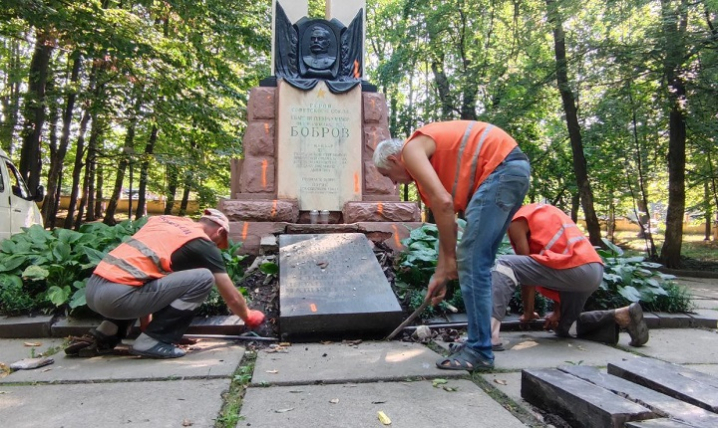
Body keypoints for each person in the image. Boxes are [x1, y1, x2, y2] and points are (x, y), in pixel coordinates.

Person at [373, 120, 531, 371]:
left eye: (387, 176)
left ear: (394, 159)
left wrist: (448, 265)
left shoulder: (411, 150)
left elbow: (444, 204)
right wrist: (442, 270)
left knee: (472, 261)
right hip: (511, 169)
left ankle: (479, 351)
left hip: (501, 169)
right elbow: (449, 223)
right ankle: (479, 341)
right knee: (477, 261)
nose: (394, 184)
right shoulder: (431, 169)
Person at [65, 209, 265, 359]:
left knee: (135, 281)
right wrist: (248, 317)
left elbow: (144, 275)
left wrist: (149, 326)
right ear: (219, 231)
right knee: (204, 277)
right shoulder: (202, 243)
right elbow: (231, 296)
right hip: (118, 298)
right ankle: (154, 342)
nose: (217, 247)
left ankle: (105, 334)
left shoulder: (165, 222)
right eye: (219, 242)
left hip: (93, 289)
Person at [490, 203, 649, 349]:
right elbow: (556, 257)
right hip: (593, 269)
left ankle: (489, 336)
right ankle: (620, 316)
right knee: (566, 328)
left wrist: (529, 312)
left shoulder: (517, 219)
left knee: (505, 264)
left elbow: (523, 270)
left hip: (576, 269)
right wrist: (557, 311)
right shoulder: (544, 211)